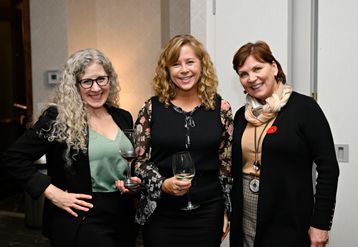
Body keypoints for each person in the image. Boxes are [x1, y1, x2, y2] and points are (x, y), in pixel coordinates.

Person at [2, 48, 138, 247]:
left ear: (110, 79)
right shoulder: (58, 119)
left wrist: (133, 181)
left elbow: (127, 163)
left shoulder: (123, 116)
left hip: (123, 215)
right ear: (74, 85)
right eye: (87, 81)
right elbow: (13, 158)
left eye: (101, 79)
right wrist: (52, 192)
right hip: (81, 217)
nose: (96, 88)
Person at [117, 34, 233, 247]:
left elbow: (226, 165)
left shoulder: (221, 108)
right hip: (162, 212)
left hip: (208, 211)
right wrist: (162, 184)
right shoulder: (151, 109)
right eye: (176, 64)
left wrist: (227, 210)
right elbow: (138, 161)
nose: (184, 70)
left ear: (202, 65)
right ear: (167, 70)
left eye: (190, 62)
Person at [229, 41, 340, 247]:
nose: (251, 78)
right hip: (246, 214)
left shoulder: (304, 109)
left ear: (274, 67)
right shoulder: (241, 116)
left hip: (289, 216)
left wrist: (321, 224)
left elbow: (328, 168)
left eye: (257, 68)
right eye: (243, 74)